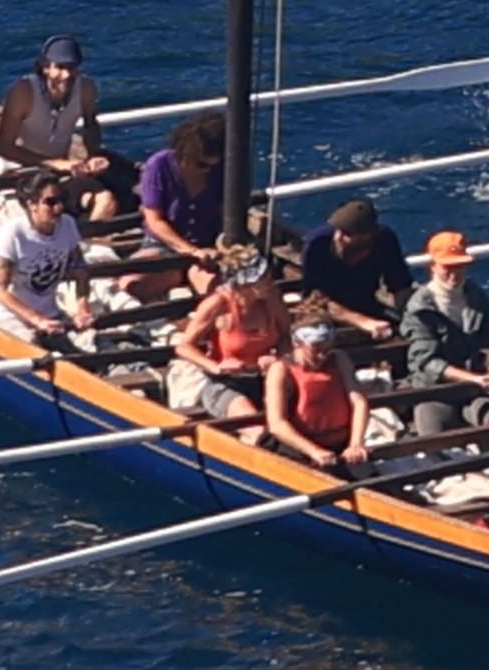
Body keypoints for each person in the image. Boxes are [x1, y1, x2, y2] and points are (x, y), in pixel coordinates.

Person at [399, 229, 489, 438]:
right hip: (434, 391)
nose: (454, 274)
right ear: (433, 266)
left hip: (473, 391)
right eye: (448, 267)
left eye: (460, 266)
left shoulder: (474, 295)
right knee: (432, 440)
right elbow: (427, 362)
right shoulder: (419, 308)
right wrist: (472, 378)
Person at [0, 34, 130, 220]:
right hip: (20, 174)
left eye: (72, 68)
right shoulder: (24, 93)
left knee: (107, 202)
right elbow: (6, 148)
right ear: (46, 68)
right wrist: (54, 163)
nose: (66, 75)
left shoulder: (86, 88)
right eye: (60, 67)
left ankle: (85, 237)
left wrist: (93, 156)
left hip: (60, 175)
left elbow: (91, 124)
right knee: (41, 216)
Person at [164, 240, 286, 426]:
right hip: (224, 382)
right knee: (253, 426)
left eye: (267, 275)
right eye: (261, 278)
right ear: (242, 285)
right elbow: (184, 347)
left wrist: (279, 359)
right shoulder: (218, 304)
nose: (268, 281)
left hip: (264, 378)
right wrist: (216, 367)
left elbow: (287, 335)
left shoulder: (271, 298)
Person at [0, 174, 98, 342]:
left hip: (50, 314)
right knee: (31, 342)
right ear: (31, 204)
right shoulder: (12, 234)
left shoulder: (67, 224)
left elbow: (80, 271)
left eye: (62, 200)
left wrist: (82, 307)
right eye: (51, 202)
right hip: (12, 317)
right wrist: (36, 320)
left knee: (91, 339)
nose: (59, 208)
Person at [263, 319, 371, 473]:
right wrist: (314, 451)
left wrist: (355, 443)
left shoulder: (338, 359)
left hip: (341, 445)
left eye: (327, 348)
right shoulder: (280, 370)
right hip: (299, 448)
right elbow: (277, 424)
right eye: (315, 348)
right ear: (297, 343)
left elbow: (359, 402)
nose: (322, 355)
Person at [137, 112, 231, 284]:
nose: (207, 170)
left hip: (209, 248)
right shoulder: (159, 165)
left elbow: (226, 215)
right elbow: (155, 220)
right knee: (133, 282)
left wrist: (218, 248)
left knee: (213, 283)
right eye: (201, 164)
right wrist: (191, 251)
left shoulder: (224, 171)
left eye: (212, 166)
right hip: (164, 244)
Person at [293, 196, 413, 329]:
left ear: (367, 236)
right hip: (325, 314)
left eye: (346, 234)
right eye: (337, 230)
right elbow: (313, 298)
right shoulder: (318, 243)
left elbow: (400, 285)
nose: (338, 237)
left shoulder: (385, 239)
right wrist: (363, 322)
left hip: (366, 305)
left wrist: (407, 317)